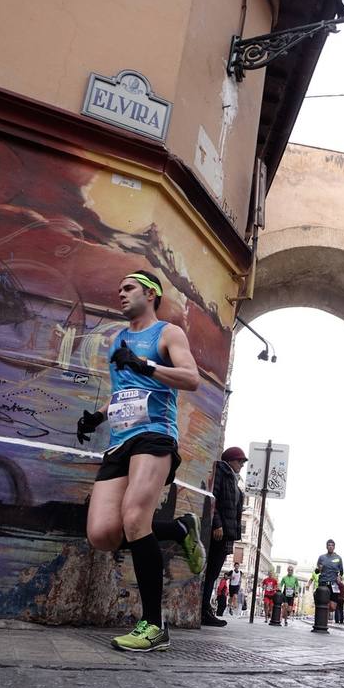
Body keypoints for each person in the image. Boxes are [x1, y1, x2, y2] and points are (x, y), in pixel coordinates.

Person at [79, 270, 205, 653]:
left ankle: (153, 625)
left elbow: (191, 378)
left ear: (150, 294)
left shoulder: (167, 333)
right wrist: (97, 417)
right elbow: (125, 391)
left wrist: (144, 365)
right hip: (119, 440)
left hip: (154, 434)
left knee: (135, 517)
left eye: (128, 288)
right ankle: (181, 530)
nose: (121, 293)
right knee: (103, 534)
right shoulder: (119, 339)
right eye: (119, 288)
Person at [201, 447, 247, 627]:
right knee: (210, 573)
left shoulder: (233, 479)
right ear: (230, 460)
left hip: (226, 534)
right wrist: (217, 523)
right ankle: (204, 610)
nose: (242, 465)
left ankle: (205, 609)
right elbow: (214, 498)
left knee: (212, 573)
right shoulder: (222, 472)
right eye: (239, 461)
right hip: (218, 532)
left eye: (243, 462)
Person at [316, 539, 344, 617]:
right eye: (329, 545)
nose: (330, 547)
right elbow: (317, 571)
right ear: (326, 547)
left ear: (334, 547)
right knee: (322, 603)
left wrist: (339, 577)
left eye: (332, 545)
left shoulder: (338, 558)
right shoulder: (321, 557)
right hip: (323, 582)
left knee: (333, 607)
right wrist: (319, 569)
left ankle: (325, 612)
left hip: (334, 584)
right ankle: (323, 620)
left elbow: (341, 572)